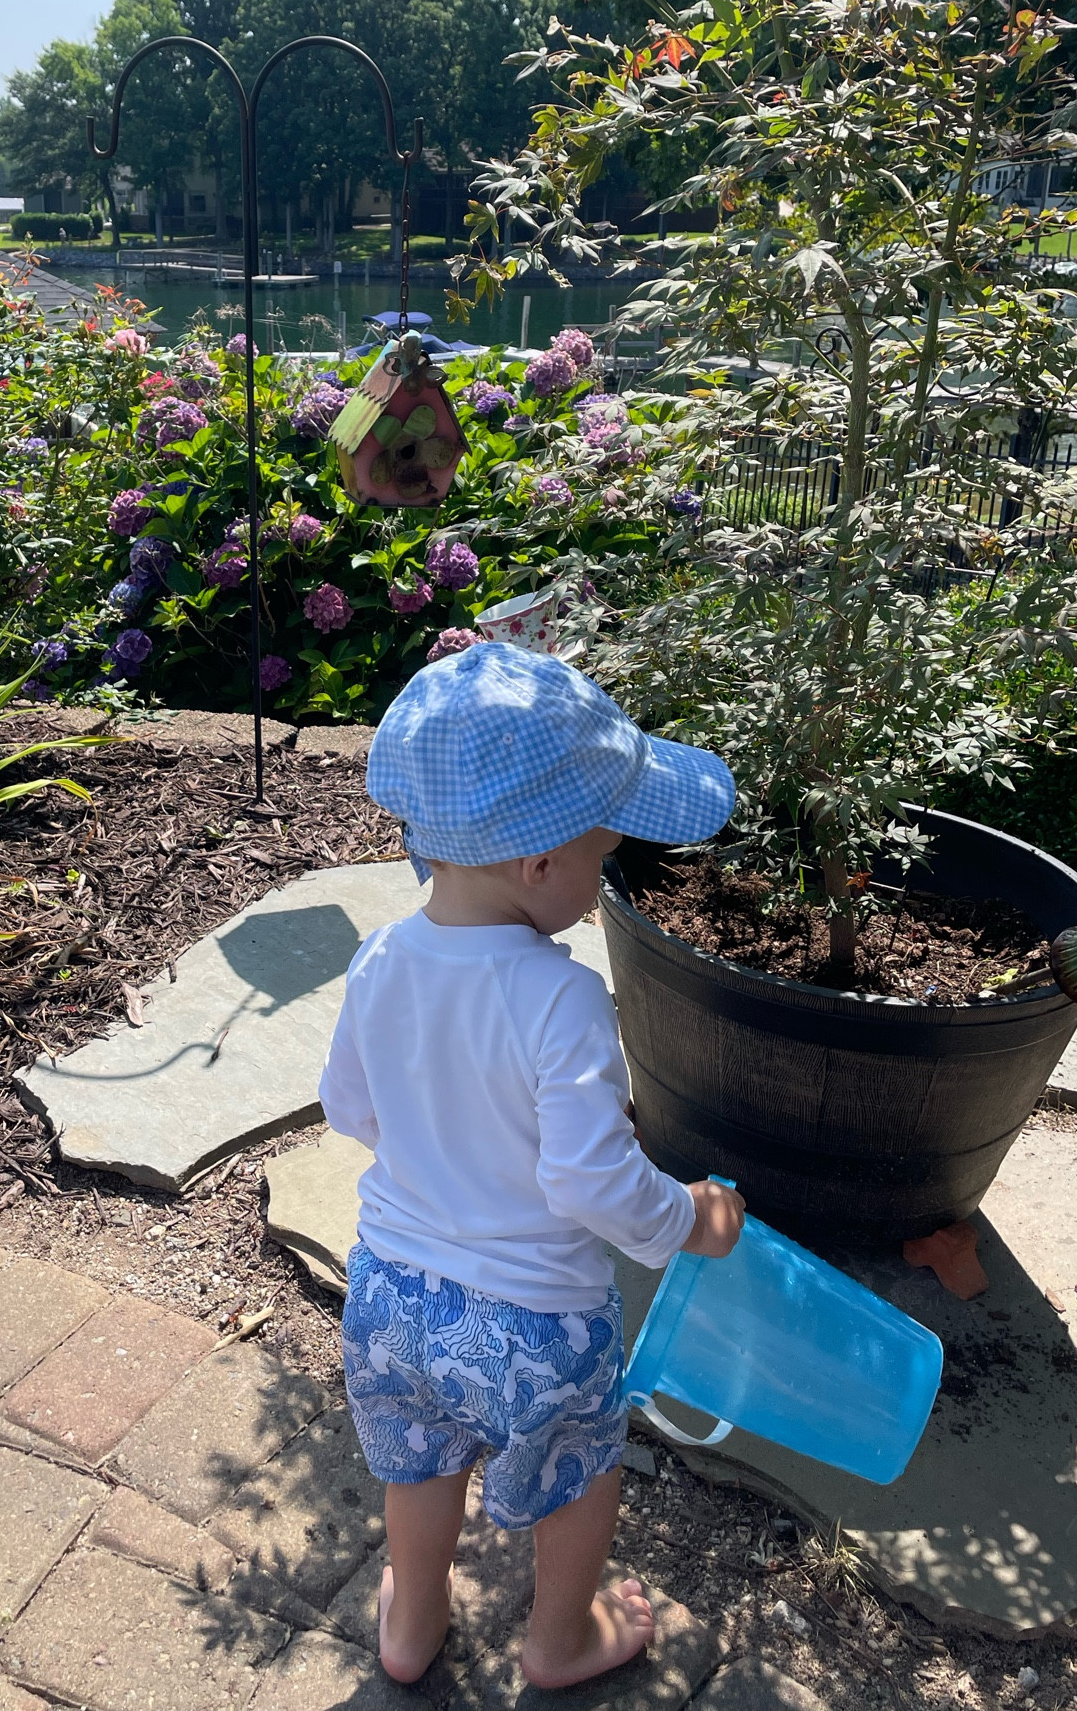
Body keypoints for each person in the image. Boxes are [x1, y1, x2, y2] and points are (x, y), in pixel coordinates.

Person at [320, 639, 747, 1688]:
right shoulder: (560, 998)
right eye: (604, 857)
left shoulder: (379, 958)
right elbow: (592, 1184)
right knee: (575, 1478)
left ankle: (411, 1623)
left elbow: (349, 1105)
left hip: (390, 1292)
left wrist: (445, 1143)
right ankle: (559, 1641)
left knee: (418, 1462)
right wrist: (689, 1214)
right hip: (535, 1324)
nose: (604, 882)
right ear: (540, 863)